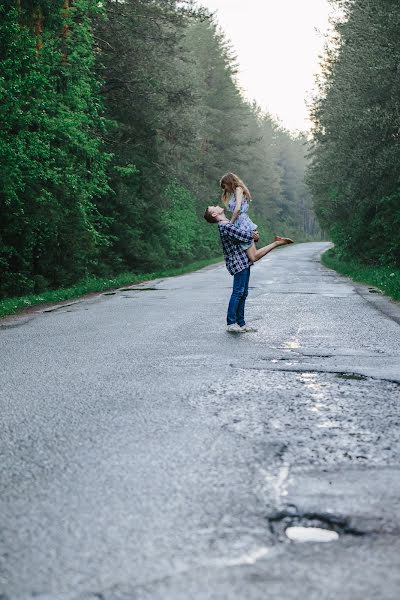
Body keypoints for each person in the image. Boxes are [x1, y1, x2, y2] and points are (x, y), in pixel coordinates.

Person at [204, 204, 293, 333]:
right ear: (214, 214)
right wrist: (253, 234)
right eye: (214, 207)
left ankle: (241, 323)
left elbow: (243, 236)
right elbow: (243, 235)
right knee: (238, 292)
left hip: (243, 261)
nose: (217, 205)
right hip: (238, 263)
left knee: (243, 293)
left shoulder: (228, 223)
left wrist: (252, 235)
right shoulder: (225, 226)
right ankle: (231, 323)